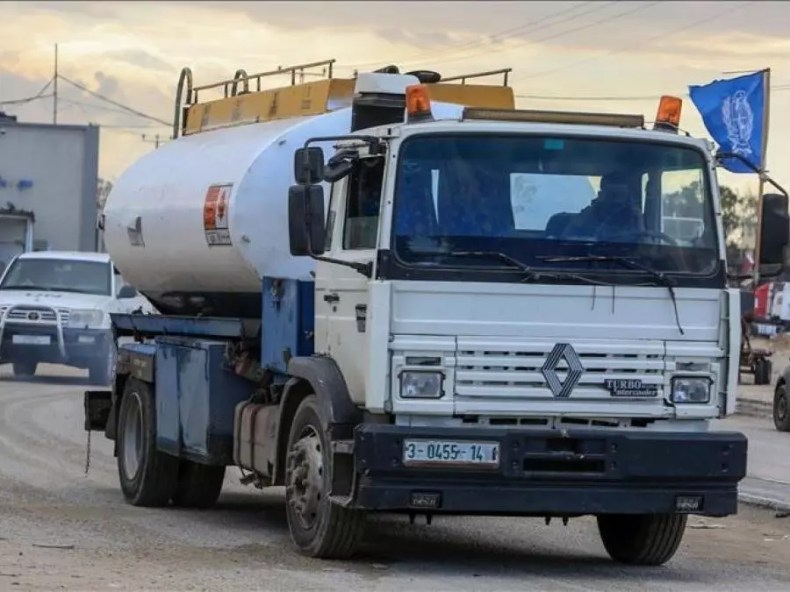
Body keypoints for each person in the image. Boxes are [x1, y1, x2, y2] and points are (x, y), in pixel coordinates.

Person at [559, 171, 644, 240]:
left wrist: (639, 221)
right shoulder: (588, 215)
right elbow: (566, 239)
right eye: (612, 195)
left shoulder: (633, 217)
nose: (616, 200)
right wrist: (591, 213)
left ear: (628, 196)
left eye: (621, 195)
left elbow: (645, 247)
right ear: (601, 194)